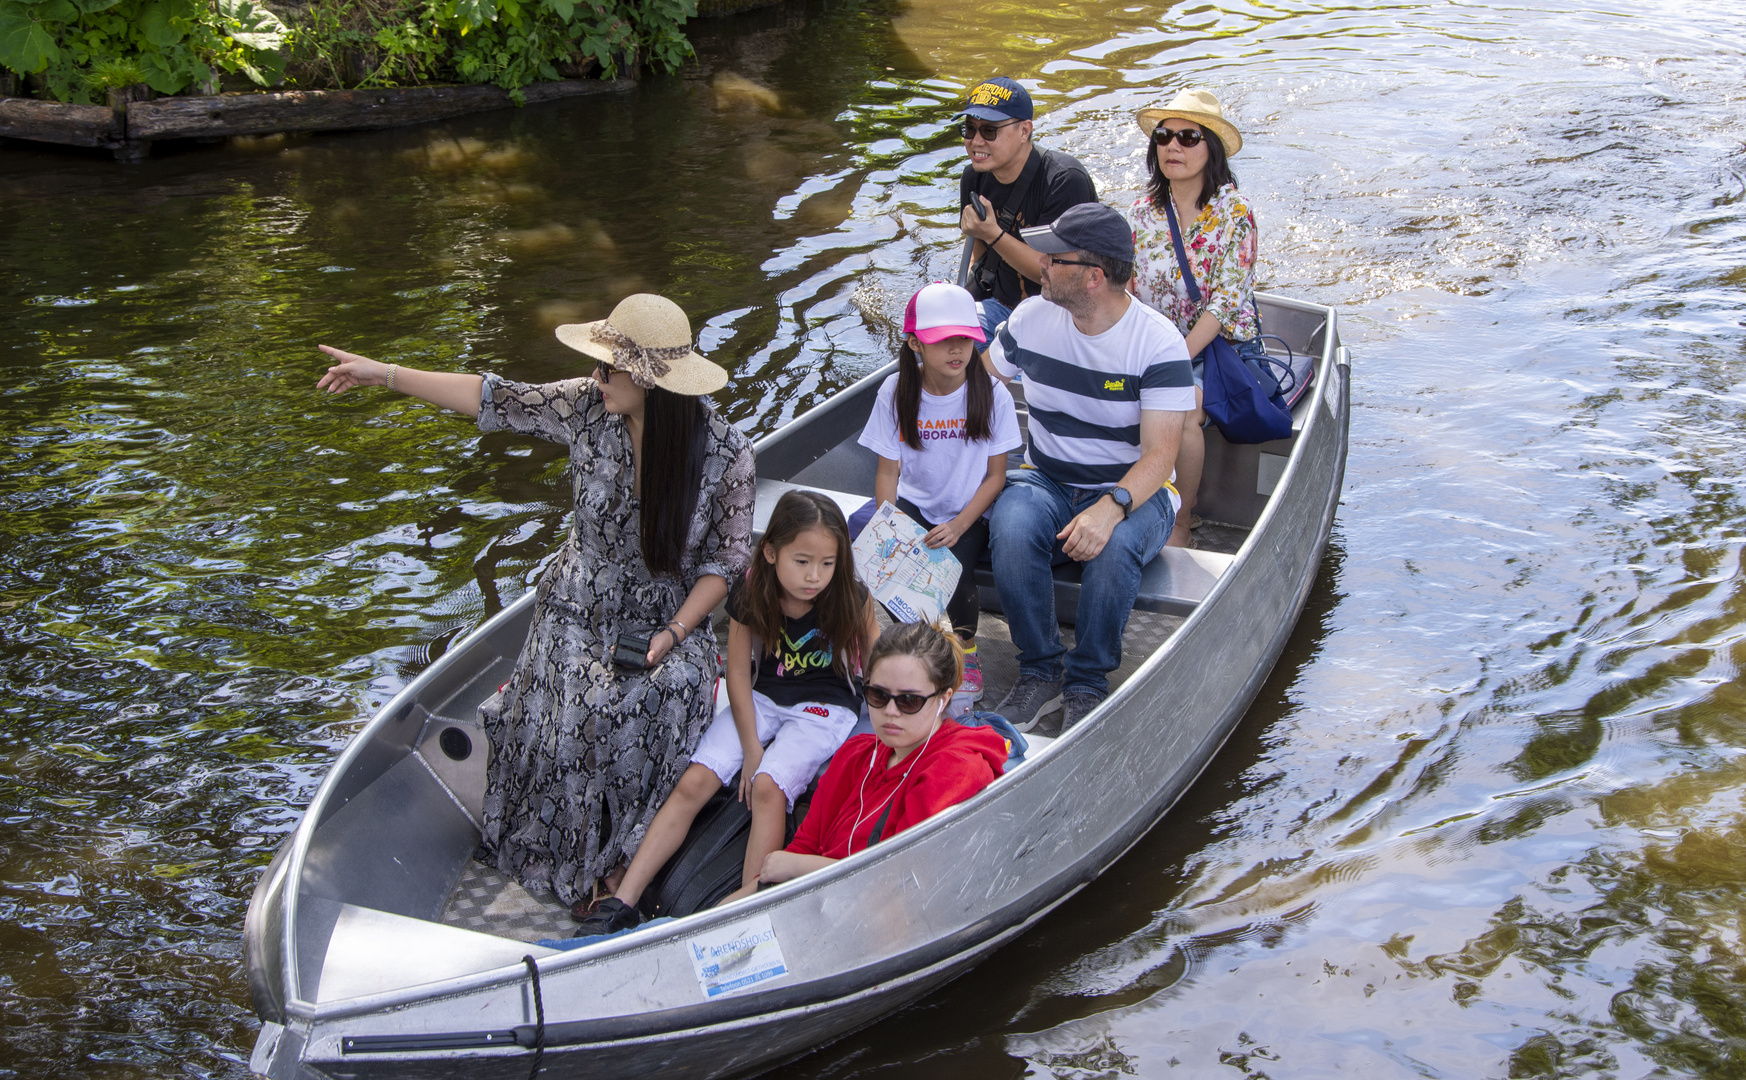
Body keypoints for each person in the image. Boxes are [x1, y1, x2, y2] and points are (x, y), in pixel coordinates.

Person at [314, 293, 755, 913]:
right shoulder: (584, 407)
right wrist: (381, 373)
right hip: (577, 600)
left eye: (609, 369)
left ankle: (619, 856)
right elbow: (493, 398)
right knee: (583, 704)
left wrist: (675, 634)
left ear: (650, 381)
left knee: (660, 698)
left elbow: (726, 563)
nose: (597, 377)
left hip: (669, 617)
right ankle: (572, 855)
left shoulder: (724, 452)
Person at [576, 490, 880, 936]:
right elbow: (737, 674)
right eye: (802, 562)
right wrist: (752, 746)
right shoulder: (752, 589)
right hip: (764, 699)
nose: (815, 576)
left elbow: (878, 667)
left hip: (825, 708)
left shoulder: (852, 597)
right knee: (696, 780)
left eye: (827, 564)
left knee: (768, 787)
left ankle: (747, 911)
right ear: (772, 553)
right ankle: (623, 901)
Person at [982, 202, 1194, 733]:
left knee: (1116, 544)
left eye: (1054, 257)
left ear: (1093, 277)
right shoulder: (1030, 319)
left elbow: (1160, 458)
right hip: (1049, 478)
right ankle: (1039, 670)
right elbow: (980, 390)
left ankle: (1087, 682)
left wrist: (1110, 507)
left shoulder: (1158, 342)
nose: (1040, 263)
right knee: (1010, 523)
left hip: (1136, 491)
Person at [856, 281, 1022, 702]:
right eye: (943, 341)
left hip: (969, 507)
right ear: (914, 344)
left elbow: (995, 477)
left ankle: (965, 652)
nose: (957, 350)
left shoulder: (992, 394)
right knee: (893, 567)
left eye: (965, 339)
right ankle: (916, 644)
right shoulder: (895, 392)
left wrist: (959, 524)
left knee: (954, 567)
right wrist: (890, 527)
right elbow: (888, 472)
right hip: (913, 502)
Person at [756, 621, 1008, 886]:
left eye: (908, 700)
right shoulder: (857, 754)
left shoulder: (953, 769)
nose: (890, 711)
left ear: (943, 699)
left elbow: (901, 879)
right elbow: (805, 844)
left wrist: (799, 866)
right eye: (878, 695)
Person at [1127, 88, 1258, 550]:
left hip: (1213, 349)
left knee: (1182, 408)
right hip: (1154, 338)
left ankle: (1182, 521)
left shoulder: (1234, 214)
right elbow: (1128, 288)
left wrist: (1175, 360)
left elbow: (1224, 305)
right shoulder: (1143, 212)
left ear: (1211, 150)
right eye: (1164, 137)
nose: (1173, 147)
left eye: (1188, 137)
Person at [956, 76, 1098, 342]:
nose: (975, 141)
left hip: (1063, 316)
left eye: (989, 131)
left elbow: (1060, 273)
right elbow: (979, 252)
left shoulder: (1064, 181)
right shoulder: (973, 177)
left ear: (1024, 131)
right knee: (932, 346)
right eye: (969, 129)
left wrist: (993, 234)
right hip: (1001, 307)